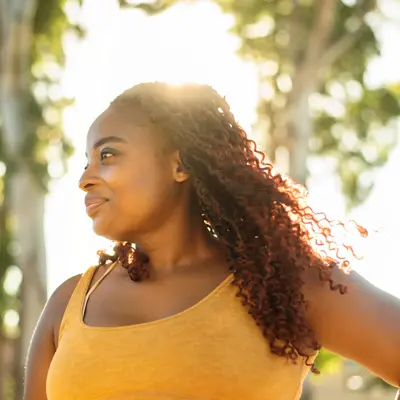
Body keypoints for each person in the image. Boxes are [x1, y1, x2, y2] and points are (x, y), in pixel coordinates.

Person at [24, 82, 400, 400]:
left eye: (108, 154)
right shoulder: (69, 303)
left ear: (180, 165)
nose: (85, 179)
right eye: (86, 161)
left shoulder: (284, 284)